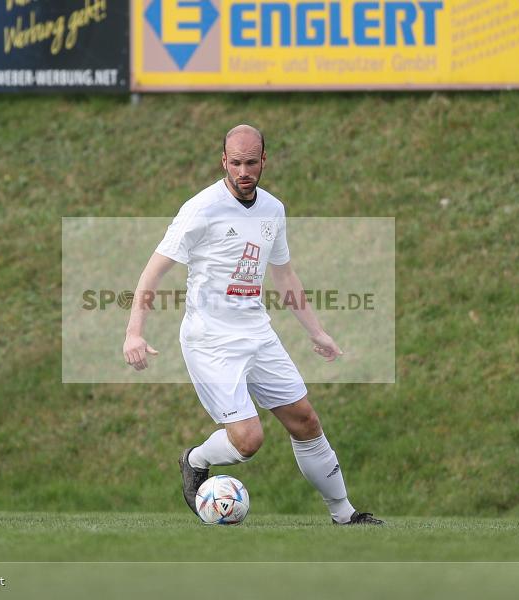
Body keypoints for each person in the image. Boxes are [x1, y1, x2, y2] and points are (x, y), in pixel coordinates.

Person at [122, 124, 383, 526]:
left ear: (264, 161)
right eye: (236, 163)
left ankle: (344, 514)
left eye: (251, 162)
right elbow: (154, 271)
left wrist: (316, 332)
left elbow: (284, 276)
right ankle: (195, 460)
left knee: (305, 419)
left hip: (257, 333)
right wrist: (133, 332)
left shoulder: (273, 210)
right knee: (249, 441)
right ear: (224, 161)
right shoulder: (201, 208)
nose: (244, 171)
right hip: (211, 340)